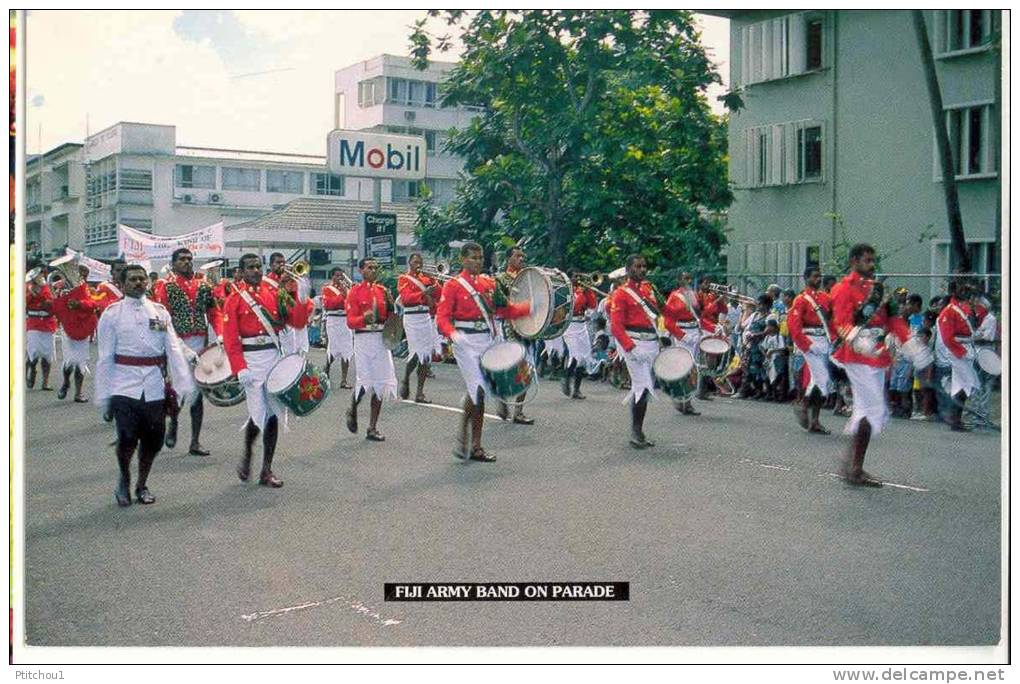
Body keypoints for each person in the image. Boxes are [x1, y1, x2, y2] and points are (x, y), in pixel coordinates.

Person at [95, 264, 194, 506]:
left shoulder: (159, 313)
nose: (138, 283)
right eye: (133, 280)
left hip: (153, 384)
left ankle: (141, 484)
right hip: (123, 384)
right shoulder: (112, 314)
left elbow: (172, 348)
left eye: (142, 279)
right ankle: (124, 479)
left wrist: (182, 385)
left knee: (154, 439)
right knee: (127, 436)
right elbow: (105, 356)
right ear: (123, 283)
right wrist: (104, 394)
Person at [436, 242, 531, 462]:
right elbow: (442, 318)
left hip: (488, 338)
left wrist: (533, 307)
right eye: (473, 258)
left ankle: (470, 440)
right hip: (465, 342)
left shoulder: (489, 282)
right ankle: (471, 442)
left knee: (479, 392)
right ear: (462, 259)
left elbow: (505, 309)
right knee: (478, 390)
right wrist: (452, 334)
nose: (478, 261)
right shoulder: (453, 285)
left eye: (480, 258)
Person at [221, 253, 309, 488]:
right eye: (250, 267)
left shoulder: (274, 292)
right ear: (241, 271)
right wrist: (239, 368)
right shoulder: (235, 299)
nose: (256, 271)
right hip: (250, 360)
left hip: (272, 357)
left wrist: (301, 297)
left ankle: (266, 469)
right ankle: (248, 453)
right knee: (257, 412)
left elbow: (297, 322)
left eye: (258, 266)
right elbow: (230, 339)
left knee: (272, 414)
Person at [831, 243, 909, 486]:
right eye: (867, 260)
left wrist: (910, 343)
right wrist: (857, 339)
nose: (872, 265)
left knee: (867, 411)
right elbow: (841, 323)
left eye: (874, 260)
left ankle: (853, 466)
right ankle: (852, 466)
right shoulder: (843, 288)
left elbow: (894, 319)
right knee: (874, 410)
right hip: (857, 354)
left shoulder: (879, 289)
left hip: (876, 354)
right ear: (854, 261)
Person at [151, 248, 221, 455]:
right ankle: (173, 421)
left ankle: (195, 441)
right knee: (181, 388)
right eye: (182, 259)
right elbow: (161, 319)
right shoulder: (165, 286)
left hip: (200, 341)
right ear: (173, 264)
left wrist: (221, 335)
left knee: (198, 392)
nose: (187, 262)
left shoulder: (203, 285)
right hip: (176, 343)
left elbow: (214, 312)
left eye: (189, 259)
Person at [609, 254, 663, 448]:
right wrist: (630, 348)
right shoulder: (621, 294)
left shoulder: (647, 292)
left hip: (650, 343)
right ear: (629, 269)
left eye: (644, 266)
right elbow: (616, 327)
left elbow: (655, 318)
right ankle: (636, 432)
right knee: (643, 386)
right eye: (638, 266)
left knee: (644, 388)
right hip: (635, 345)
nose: (642, 270)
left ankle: (638, 430)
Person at [345, 257, 398, 442]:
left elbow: (392, 318)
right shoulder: (354, 292)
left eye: (376, 268)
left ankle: (372, 427)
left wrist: (392, 306)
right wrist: (362, 319)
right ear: (361, 271)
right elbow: (350, 322)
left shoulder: (383, 291)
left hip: (381, 339)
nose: (373, 271)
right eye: (369, 268)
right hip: (363, 339)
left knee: (381, 382)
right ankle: (353, 406)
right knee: (365, 380)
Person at [787, 267, 834, 433]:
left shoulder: (826, 298)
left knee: (822, 382)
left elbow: (831, 320)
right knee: (816, 378)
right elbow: (794, 326)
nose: (818, 279)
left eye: (819, 276)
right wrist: (806, 345)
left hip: (824, 340)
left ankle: (815, 419)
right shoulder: (800, 300)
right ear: (806, 278)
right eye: (815, 276)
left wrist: (834, 339)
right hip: (809, 340)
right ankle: (804, 404)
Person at [494, 246, 535, 424]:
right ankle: (501, 395)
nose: (521, 259)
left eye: (523, 256)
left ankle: (518, 411)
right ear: (508, 258)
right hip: (508, 326)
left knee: (526, 370)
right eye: (517, 256)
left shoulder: (528, 278)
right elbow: (496, 304)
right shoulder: (500, 279)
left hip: (527, 327)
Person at [935, 279, 980, 431]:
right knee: (966, 385)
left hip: (966, 348)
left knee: (961, 386)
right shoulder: (948, 311)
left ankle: (955, 419)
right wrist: (962, 352)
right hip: (959, 351)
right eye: (961, 289)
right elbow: (948, 338)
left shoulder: (964, 308)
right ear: (954, 291)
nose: (965, 292)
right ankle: (954, 418)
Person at [50, 264, 99, 402]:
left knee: (80, 362)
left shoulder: (86, 289)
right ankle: (66, 382)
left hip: (83, 327)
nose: (81, 276)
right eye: (80, 273)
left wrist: (79, 304)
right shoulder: (60, 287)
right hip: (68, 328)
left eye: (84, 274)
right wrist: (60, 299)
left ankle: (78, 393)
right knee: (70, 361)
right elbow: (55, 306)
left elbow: (93, 305)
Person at [397, 253, 440, 403]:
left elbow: (439, 294)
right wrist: (423, 292)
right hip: (412, 317)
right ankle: (406, 378)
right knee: (416, 353)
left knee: (426, 356)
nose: (418, 264)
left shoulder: (426, 278)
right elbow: (406, 298)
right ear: (409, 263)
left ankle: (420, 393)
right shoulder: (404, 279)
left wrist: (434, 279)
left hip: (425, 317)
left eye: (420, 262)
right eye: (415, 262)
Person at [663, 272, 702, 415]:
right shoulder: (674, 296)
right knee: (683, 368)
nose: (688, 280)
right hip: (682, 333)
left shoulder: (694, 295)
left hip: (695, 332)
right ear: (679, 280)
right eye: (685, 278)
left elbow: (700, 316)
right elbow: (667, 321)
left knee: (693, 369)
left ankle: (687, 401)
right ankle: (681, 400)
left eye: (690, 278)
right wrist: (682, 336)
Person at [264, 252, 312, 356]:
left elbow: (302, 299)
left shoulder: (292, 280)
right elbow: (272, 301)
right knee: (285, 354)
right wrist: (282, 285)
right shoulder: (266, 281)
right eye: (278, 262)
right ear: (271, 265)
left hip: (294, 321)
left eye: (283, 262)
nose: (282, 265)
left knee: (299, 352)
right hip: (279, 322)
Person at [561, 270, 598, 400]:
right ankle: (566, 379)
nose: (578, 278)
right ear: (569, 278)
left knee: (584, 358)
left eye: (579, 276)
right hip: (570, 326)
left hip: (582, 326)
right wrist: (581, 292)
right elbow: (574, 307)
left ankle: (576, 389)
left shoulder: (583, 291)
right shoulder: (565, 290)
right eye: (575, 276)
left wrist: (588, 291)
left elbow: (593, 305)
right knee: (575, 356)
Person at [695, 275, 727, 399]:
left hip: (713, 329)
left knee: (711, 362)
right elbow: (701, 313)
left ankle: (704, 390)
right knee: (704, 361)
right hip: (703, 328)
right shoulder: (698, 296)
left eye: (710, 283)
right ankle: (700, 390)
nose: (708, 285)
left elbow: (723, 311)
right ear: (701, 284)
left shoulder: (713, 296)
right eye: (706, 283)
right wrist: (717, 301)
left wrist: (722, 300)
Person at [25, 268, 57, 391]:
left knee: (47, 355)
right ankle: (32, 369)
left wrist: (46, 302)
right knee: (34, 352)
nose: (40, 277)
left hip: (48, 324)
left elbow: (53, 303)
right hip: (34, 324)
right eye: (37, 275)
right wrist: (31, 294)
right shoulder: (28, 287)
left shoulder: (47, 287)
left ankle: (45, 382)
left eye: (41, 274)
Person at [321, 267, 353, 389]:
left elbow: (351, 303)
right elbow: (329, 304)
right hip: (333, 320)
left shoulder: (347, 288)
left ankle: (344, 380)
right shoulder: (327, 289)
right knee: (333, 348)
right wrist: (342, 296)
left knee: (347, 349)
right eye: (337, 276)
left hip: (345, 320)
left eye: (342, 276)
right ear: (332, 277)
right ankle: (326, 369)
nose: (340, 278)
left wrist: (347, 292)